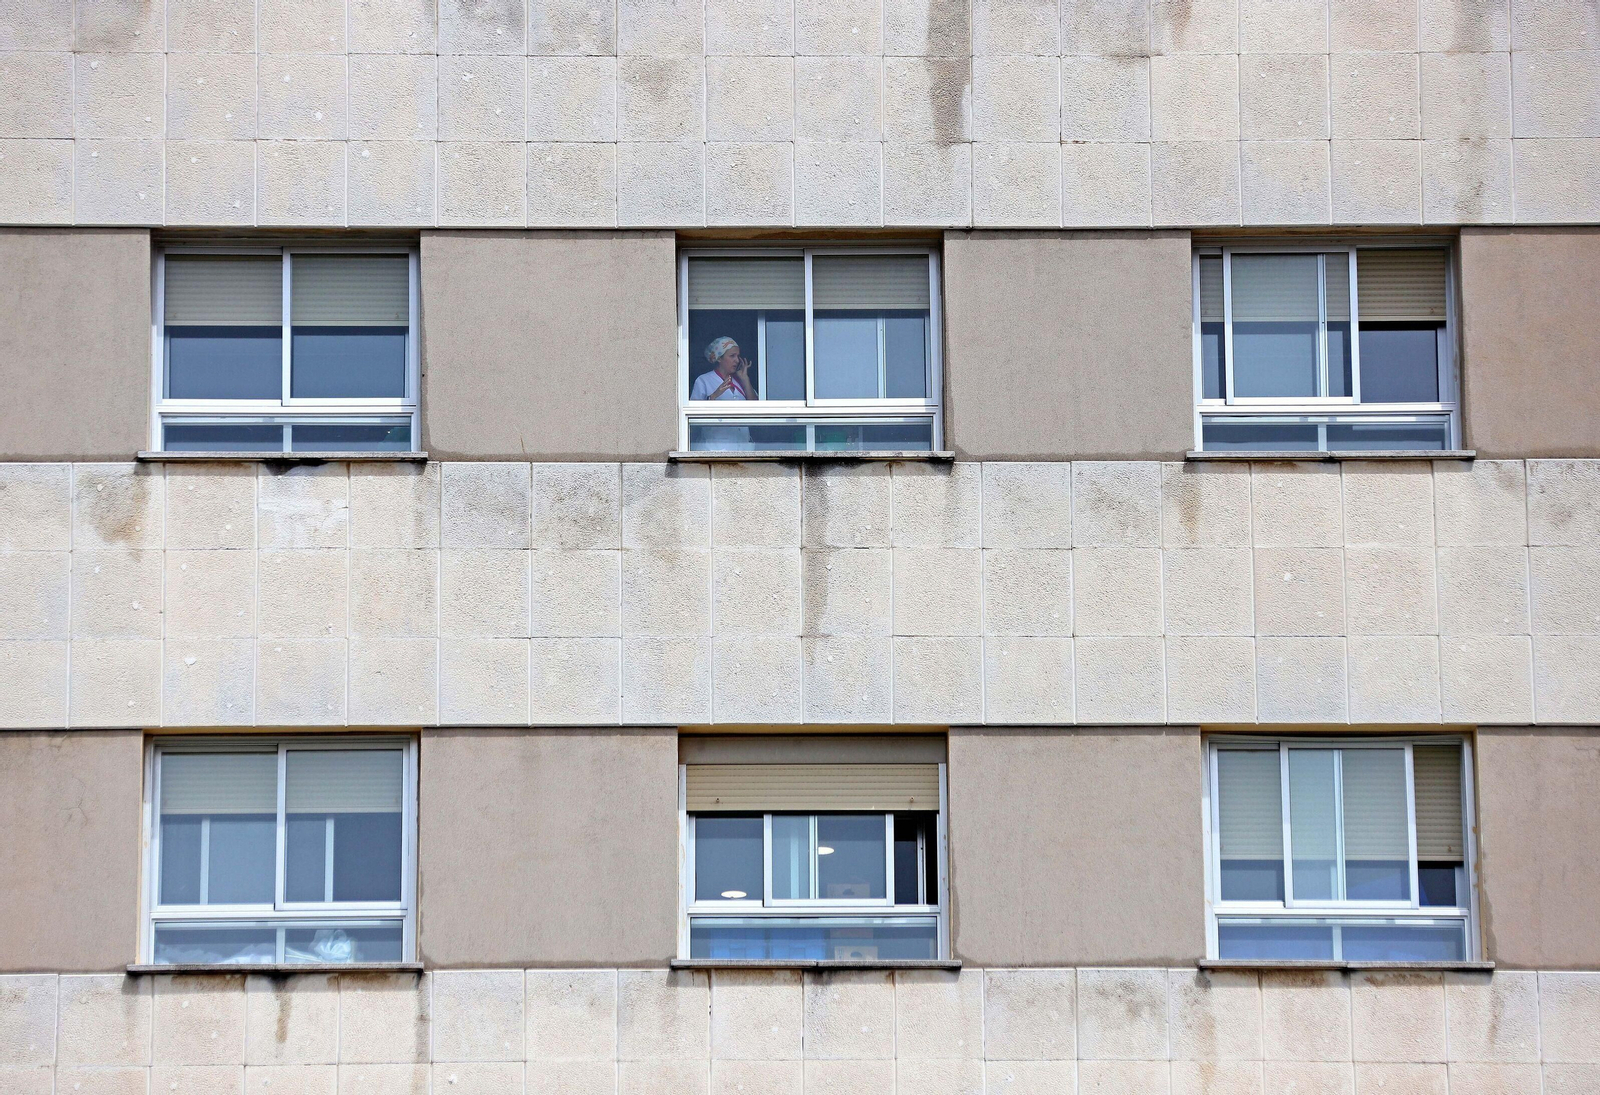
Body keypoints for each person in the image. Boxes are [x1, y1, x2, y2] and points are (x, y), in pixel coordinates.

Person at [691, 336, 754, 402]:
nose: (737, 360)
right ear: (719, 358)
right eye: (732, 356)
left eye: (738, 356)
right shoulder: (703, 381)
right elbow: (694, 410)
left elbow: (756, 408)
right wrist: (714, 396)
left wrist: (745, 379)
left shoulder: (741, 381)